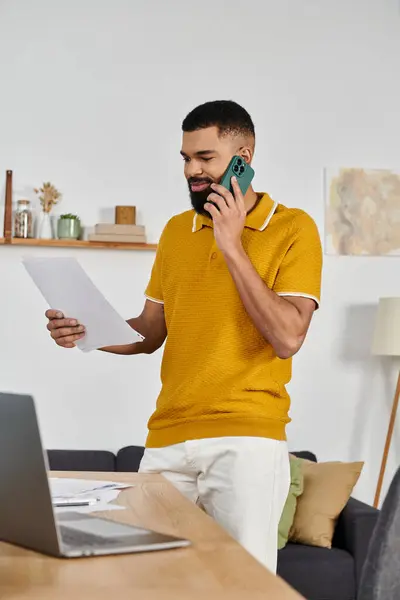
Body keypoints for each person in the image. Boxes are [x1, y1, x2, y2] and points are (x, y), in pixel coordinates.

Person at [45, 100, 323, 572]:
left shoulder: (293, 228)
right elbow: (151, 331)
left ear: (244, 158)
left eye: (205, 158)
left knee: (242, 584)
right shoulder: (177, 231)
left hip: (245, 439)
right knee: (148, 577)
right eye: (185, 158)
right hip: (167, 438)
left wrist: (232, 244)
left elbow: (288, 337)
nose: (192, 170)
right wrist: (86, 331)